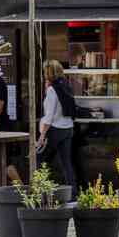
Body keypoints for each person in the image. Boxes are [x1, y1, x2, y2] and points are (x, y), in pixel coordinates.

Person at [37, 60, 77, 194]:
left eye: (44, 72)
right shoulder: (66, 86)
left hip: (54, 130)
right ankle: (73, 194)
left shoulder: (52, 90)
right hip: (68, 129)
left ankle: (40, 191)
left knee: (39, 161)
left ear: (48, 73)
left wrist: (42, 135)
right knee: (67, 164)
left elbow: (49, 115)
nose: (43, 74)